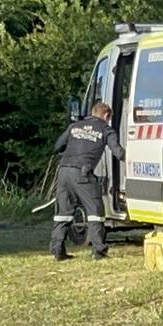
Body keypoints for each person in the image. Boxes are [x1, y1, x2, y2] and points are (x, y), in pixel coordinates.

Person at [49, 102, 125, 261]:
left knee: (63, 213)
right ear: (106, 116)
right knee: (95, 211)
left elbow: (57, 146)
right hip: (82, 174)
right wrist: (131, 158)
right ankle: (98, 251)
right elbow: (117, 152)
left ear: (92, 112)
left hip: (63, 172)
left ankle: (57, 250)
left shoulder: (74, 126)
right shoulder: (106, 130)